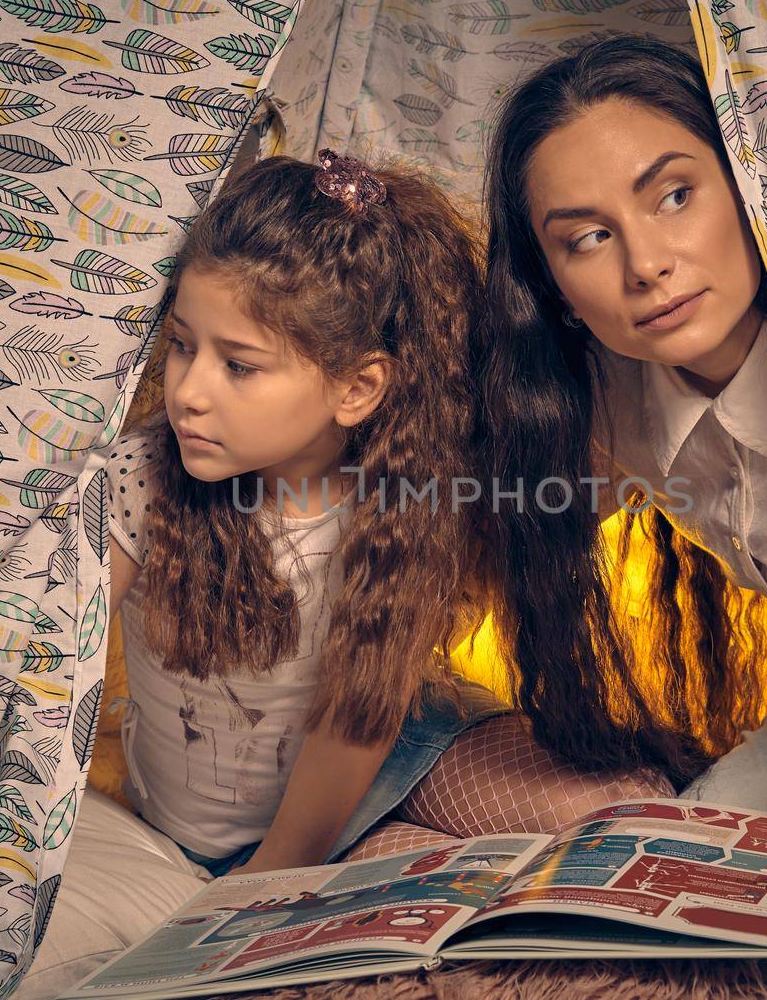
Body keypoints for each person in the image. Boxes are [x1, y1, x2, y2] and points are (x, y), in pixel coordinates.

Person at [104, 150, 665, 877]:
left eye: (238, 365)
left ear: (358, 388)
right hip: (209, 829)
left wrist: (277, 867)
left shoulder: (404, 495)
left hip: (384, 759)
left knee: (626, 810)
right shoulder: (141, 477)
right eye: (183, 346)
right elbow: (48, 659)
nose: (188, 392)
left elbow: (358, 715)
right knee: (418, 875)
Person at [477, 35, 767, 821]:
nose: (646, 263)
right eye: (587, 238)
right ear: (552, 285)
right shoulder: (603, 404)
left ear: (746, 183)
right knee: (684, 858)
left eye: (674, 196)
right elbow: (454, 573)